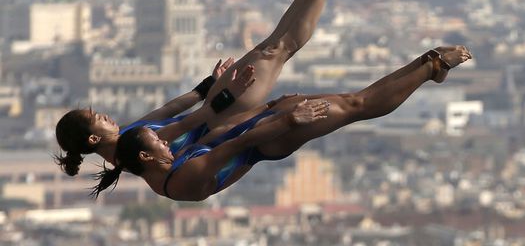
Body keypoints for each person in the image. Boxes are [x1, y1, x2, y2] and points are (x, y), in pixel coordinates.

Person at [54, 0, 345, 176]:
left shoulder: (130, 136)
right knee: (277, 50)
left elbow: (170, 108)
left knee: (273, 47)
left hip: (216, 108)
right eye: (96, 118)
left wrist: (209, 84)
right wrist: (226, 96)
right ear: (93, 139)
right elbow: (190, 124)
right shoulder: (136, 155)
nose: (103, 115)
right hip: (223, 117)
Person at [92, 46, 472, 200]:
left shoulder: (163, 168)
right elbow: (235, 145)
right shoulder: (179, 177)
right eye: (158, 142)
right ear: (146, 154)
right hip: (269, 138)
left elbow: (220, 130)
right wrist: (287, 118)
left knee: (353, 100)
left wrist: (263, 107)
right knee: (357, 105)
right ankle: (430, 65)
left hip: (262, 124)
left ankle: (428, 68)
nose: (165, 141)